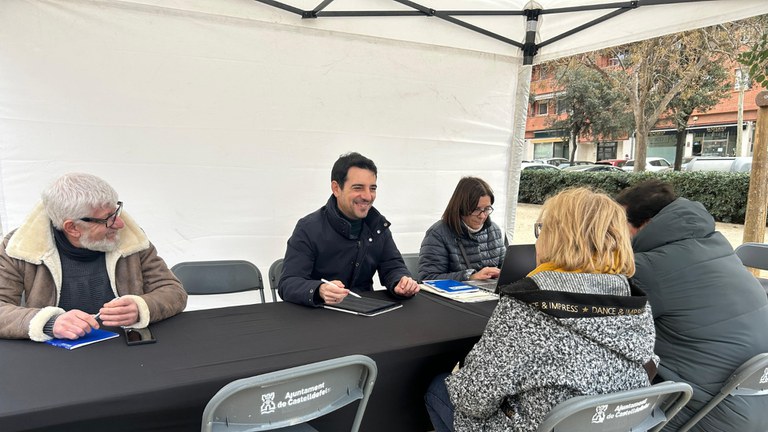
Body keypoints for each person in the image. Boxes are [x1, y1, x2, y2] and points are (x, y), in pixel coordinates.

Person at [424, 187, 657, 432]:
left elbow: (473, 399)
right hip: (614, 424)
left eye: (541, 229)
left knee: (439, 387)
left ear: (555, 238)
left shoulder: (528, 305)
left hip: (541, 425)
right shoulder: (635, 301)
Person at [615, 180, 768, 431]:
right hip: (756, 402)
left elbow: (606, 333)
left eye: (618, 225)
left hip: (707, 415)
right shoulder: (717, 244)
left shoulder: (646, 268)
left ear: (645, 224)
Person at [0, 173, 187, 341]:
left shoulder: (132, 239)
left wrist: (141, 307)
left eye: (116, 211)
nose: (120, 224)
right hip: (55, 355)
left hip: (124, 347)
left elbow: (174, 292)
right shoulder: (19, 247)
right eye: (107, 218)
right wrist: (49, 323)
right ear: (72, 228)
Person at [278, 152, 419, 306]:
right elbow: (288, 283)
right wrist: (319, 290)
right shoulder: (308, 228)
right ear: (336, 188)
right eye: (358, 188)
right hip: (321, 313)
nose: (368, 196)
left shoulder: (378, 226)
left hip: (366, 310)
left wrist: (400, 282)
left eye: (372, 188)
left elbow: (393, 266)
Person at [418, 177, 505, 282]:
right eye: (476, 209)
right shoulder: (438, 234)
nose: (482, 216)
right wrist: (470, 277)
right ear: (461, 207)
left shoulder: (494, 230)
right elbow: (427, 279)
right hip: (456, 292)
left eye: (487, 209)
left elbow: (505, 268)